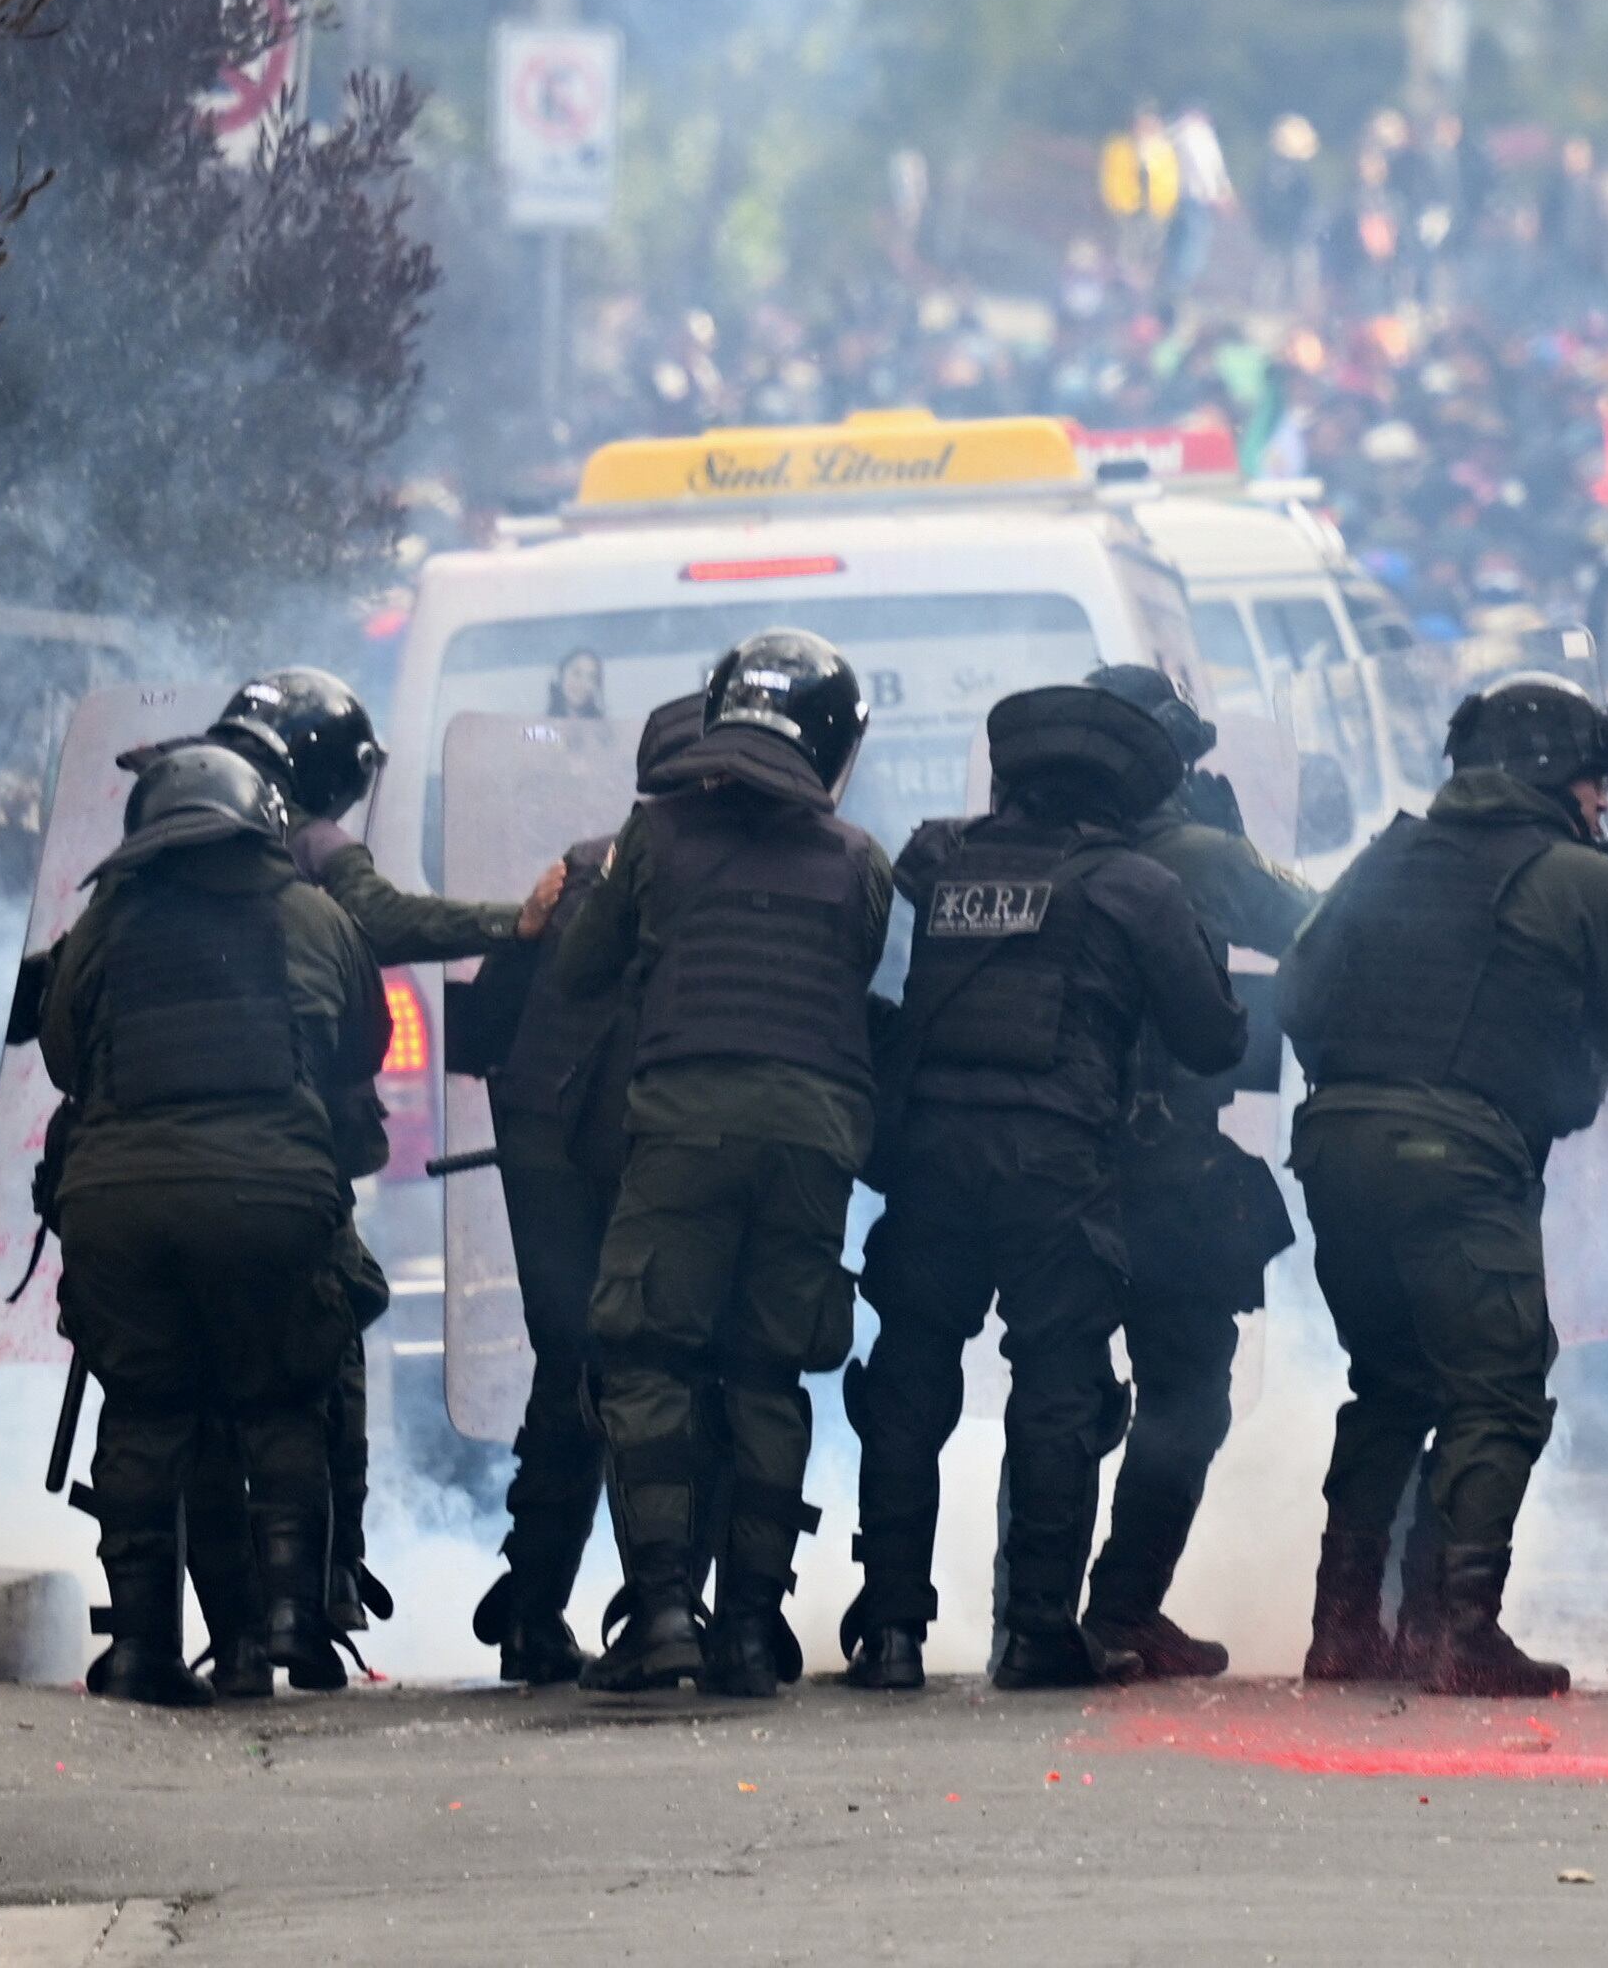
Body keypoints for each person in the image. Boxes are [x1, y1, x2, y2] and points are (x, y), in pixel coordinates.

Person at [843, 684, 1244, 1691]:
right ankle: (1034, 1633)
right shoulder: (1135, 888)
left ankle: (890, 1632)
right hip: (1053, 1167)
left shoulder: (935, 862)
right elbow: (1213, 1035)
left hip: (932, 1157)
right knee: (1060, 1390)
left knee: (907, 1386)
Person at [1274, 671, 1608, 1697]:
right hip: (1458, 1154)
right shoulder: (1581, 880)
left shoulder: (1384, 856)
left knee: (1390, 1385)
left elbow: (1298, 991)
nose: (1597, 806)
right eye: (1591, 786)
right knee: (1494, 1388)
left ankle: (1343, 1631)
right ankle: (1456, 1632)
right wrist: (1546, 1087)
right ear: (1548, 776)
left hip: (1334, 1144)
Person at [192, 666, 562, 1685]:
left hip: (153, 1156)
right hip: (280, 1159)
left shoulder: (164, 836)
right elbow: (389, 923)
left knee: (170, 1394)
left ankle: (188, 1631)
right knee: (316, 1367)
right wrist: (511, 925)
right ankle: (310, 1600)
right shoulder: (312, 849)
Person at [546, 630, 896, 1698]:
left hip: (684, 1122)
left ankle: (660, 1618)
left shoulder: (650, 838)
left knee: (649, 1360)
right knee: (766, 1371)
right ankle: (749, 1630)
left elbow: (578, 972)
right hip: (815, 1138)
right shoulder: (859, 863)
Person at [36, 744, 385, 1706]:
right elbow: (366, 1043)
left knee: (148, 1412)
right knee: (280, 1403)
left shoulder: (105, 922)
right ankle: (288, 1624)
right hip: (273, 1199)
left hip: (121, 1202)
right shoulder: (314, 914)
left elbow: (65, 1053)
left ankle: (142, 1646)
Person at [443, 694, 705, 1686]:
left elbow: (488, 1027)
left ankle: (536, 1602)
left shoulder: (588, 860)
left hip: (551, 1138)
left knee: (577, 1367)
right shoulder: (732, 871)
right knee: (650, 1366)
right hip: (624, 1142)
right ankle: (658, 1604)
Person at [1070, 663, 1317, 1681]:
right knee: (1184, 1390)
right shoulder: (1196, 855)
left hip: (1034, 1162)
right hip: (1159, 1163)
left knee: (1055, 1386)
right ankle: (1120, 1609)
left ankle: (1030, 1609)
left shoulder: (1018, 854)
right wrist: (1230, 849)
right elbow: (1330, 930)